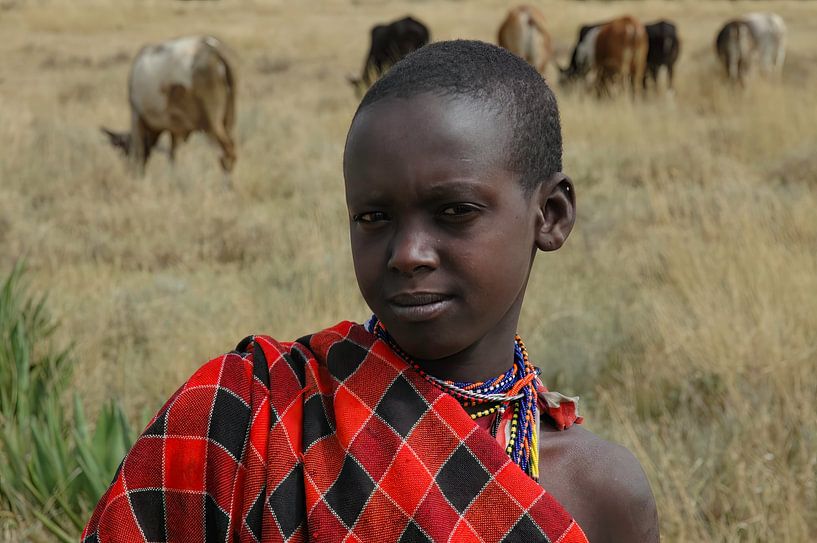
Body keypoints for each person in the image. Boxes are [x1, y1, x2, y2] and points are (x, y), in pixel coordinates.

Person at [83, 40, 658, 542]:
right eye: (374, 217)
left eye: (455, 211)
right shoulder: (241, 415)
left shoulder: (599, 493)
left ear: (550, 215)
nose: (407, 253)